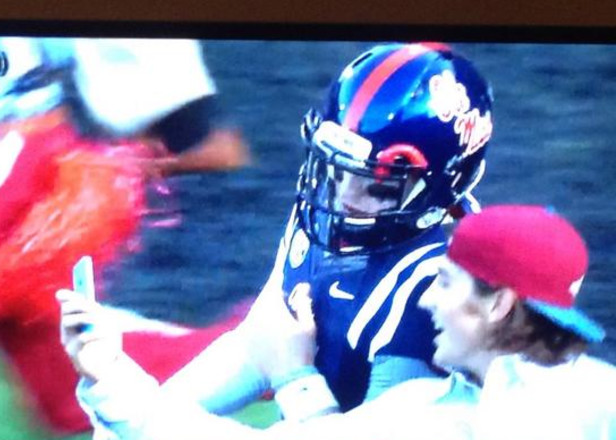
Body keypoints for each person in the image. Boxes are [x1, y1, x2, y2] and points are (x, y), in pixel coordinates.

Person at [114, 41, 494, 419]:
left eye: (378, 187)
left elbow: (372, 430)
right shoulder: (326, 213)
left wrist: (294, 375)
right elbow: (257, 342)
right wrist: (144, 416)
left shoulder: (439, 279)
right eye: (337, 170)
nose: (345, 197)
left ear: (444, 185)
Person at [59, 204, 616, 439]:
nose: (427, 302)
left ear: (498, 304)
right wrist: (108, 375)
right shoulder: (422, 406)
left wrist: (294, 377)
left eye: (444, 283)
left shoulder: (433, 422)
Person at [0, 37, 248, 438]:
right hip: (4, 154)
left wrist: (183, 117)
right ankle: (268, 351)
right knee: (69, 386)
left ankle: (271, 350)